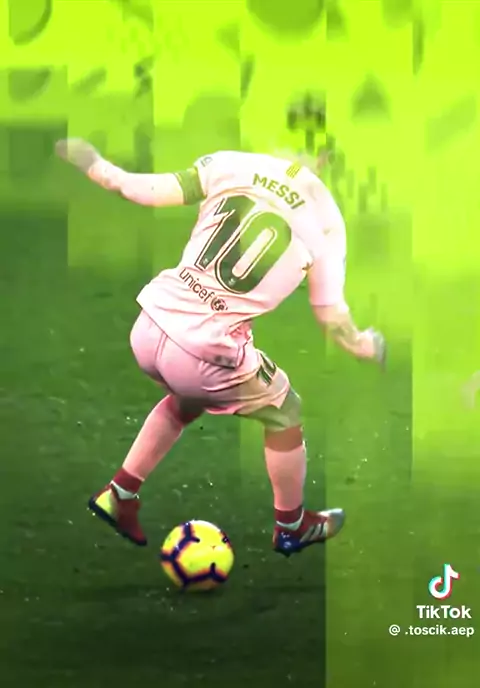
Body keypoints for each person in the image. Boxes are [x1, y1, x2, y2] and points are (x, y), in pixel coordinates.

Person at [55, 139, 386, 557]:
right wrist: (363, 344)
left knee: (187, 399)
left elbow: (139, 189)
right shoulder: (326, 222)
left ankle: (120, 493)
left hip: (150, 324)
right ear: (326, 160)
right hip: (205, 352)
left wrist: (96, 164)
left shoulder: (231, 164)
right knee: (284, 411)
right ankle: (292, 526)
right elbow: (331, 316)